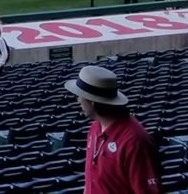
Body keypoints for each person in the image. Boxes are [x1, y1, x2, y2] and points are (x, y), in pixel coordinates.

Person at [66, 66, 161, 194]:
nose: (78, 100)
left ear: (93, 102)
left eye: (80, 96)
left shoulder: (135, 142)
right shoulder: (94, 129)